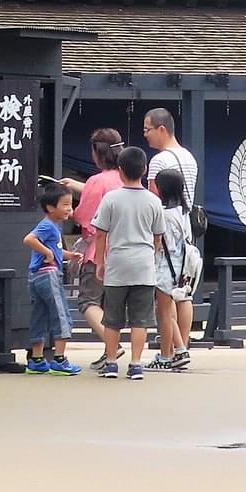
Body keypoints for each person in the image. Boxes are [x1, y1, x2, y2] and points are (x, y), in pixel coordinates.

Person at [90, 146, 164, 380]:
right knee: (140, 319)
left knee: (112, 318)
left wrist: (101, 262)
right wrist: (151, 255)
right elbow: (158, 237)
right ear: (144, 170)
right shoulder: (153, 201)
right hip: (143, 264)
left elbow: (100, 233)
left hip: (117, 263)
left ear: (120, 170)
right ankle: (136, 364)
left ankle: (111, 362)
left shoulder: (111, 198)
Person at [69, 128, 126, 346]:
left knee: (88, 301)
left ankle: (112, 345)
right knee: (112, 306)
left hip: (99, 252)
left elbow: (85, 217)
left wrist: (66, 209)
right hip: (124, 251)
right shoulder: (126, 179)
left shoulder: (97, 181)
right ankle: (109, 349)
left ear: (97, 152)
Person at [23, 186, 82, 375]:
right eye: (65, 204)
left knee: (39, 316)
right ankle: (59, 360)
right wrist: (47, 252)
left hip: (36, 276)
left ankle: (37, 359)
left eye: (70, 205)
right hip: (49, 275)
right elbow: (29, 239)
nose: (69, 209)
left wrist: (68, 255)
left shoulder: (52, 226)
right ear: (50, 207)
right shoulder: (48, 225)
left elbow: (54, 250)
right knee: (61, 313)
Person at [151, 166, 201, 372]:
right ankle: (177, 349)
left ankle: (173, 352)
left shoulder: (164, 214)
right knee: (173, 306)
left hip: (165, 265)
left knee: (163, 312)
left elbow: (158, 242)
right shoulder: (184, 211)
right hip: (181, 266)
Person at [143, 107, 199, 208]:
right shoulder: (189, 157)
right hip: (184, 220)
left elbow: (152, 201)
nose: (145, 134)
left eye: (147, 129)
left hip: (165, 220)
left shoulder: (159, 160)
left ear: (161, 129)